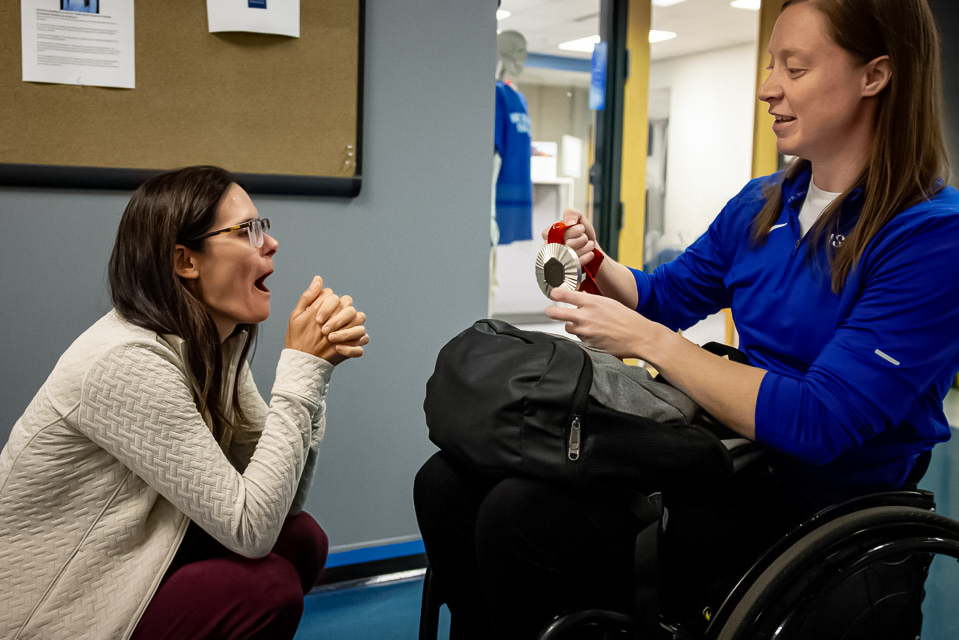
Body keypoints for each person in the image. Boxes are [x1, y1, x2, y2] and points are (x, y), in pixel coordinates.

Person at [414, 0, 959, 638]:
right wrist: (599, 266)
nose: (768, 88)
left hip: (811, 505)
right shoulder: (762, 204)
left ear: (876, 75)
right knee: (449, 482)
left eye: (796, 67)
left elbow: (820, 421)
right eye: (770, 64)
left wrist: (652, 343)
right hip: (726, 457)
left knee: (521, 515)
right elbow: (664, 295)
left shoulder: (929, 238)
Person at [0, 166, 370, 639]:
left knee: (302, 538)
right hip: (53, 611)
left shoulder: (212, 345)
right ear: (185, 261)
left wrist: (314, 378)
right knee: (266, 587)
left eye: (265, 227)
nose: (270, 244)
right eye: (247, 231)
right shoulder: (126, 362)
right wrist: (301, 371)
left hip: (129, 557)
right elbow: (251, 529)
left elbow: (285, 504)